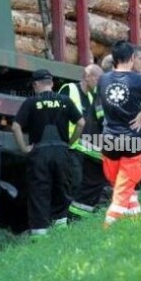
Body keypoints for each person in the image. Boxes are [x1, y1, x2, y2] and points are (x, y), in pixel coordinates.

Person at [97, 41, 141, 227]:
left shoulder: (103, 80)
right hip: (132, 141)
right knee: (122, 193)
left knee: (122, 188)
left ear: (113, 59)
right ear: (131, 58)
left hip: (109, 140)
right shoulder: (139, 80)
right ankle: (108, 229)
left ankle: (136, 224)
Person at [12, 69, 85, 236]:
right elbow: (81, 123)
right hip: (61, 152)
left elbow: (16, 126)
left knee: (39, 193)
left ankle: (39, 235)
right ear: (51, 83)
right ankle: (60, 231)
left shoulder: (31, 102)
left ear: (36, 85)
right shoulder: (65, 101)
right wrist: (70, 142)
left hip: (39, 153)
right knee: (61, 191)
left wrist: (24, 148)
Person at [58, 64, 107, 219]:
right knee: (73, 183)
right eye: (97, 79)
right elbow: (58, 116)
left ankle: (77, 218)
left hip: (84, 150)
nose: (99, 83)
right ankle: (65, 218)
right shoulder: (69, 89)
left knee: (83, 184)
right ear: (87, 76)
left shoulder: (93, 97)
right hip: (69, 146)